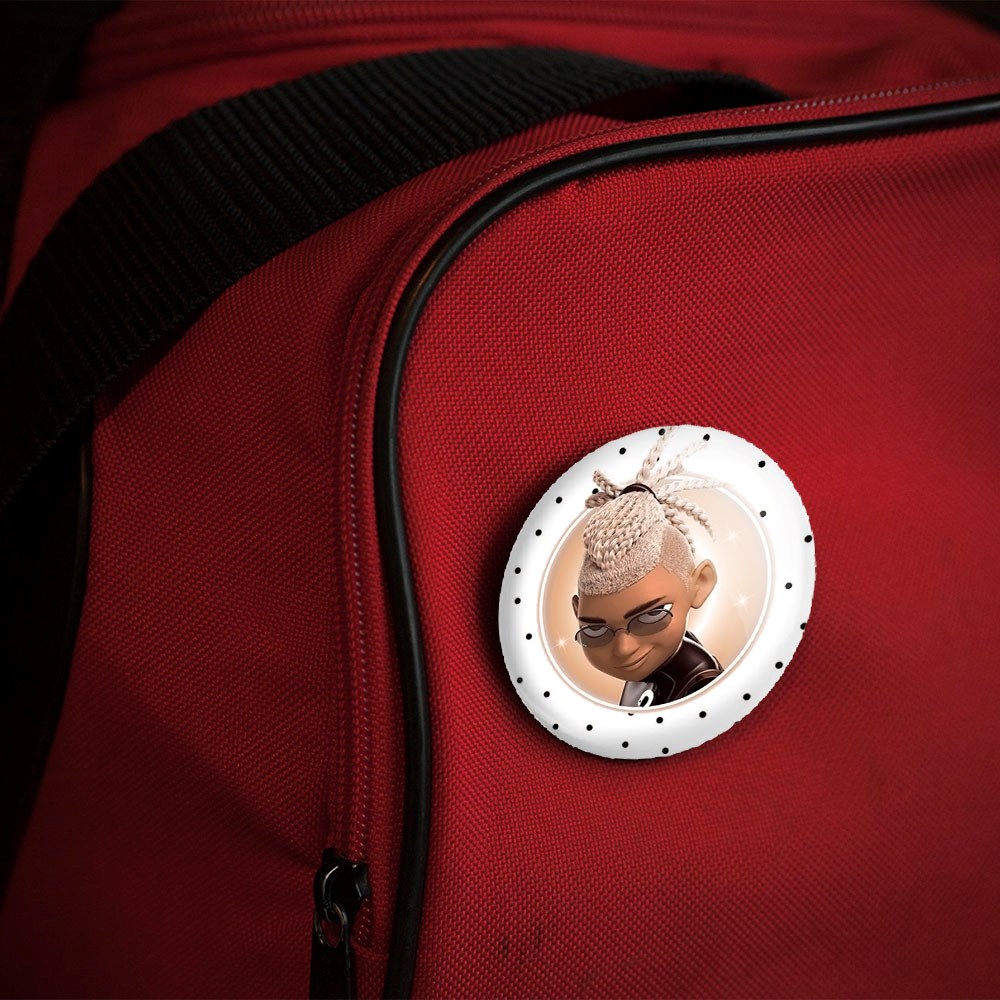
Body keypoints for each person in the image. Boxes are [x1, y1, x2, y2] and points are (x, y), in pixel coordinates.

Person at [572, 430, 723, 707]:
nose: (624, 648)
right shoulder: (652, 668)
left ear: (700, 584)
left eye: (651, 616)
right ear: (577, 612)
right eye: (595, 632)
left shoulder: (699, 684)